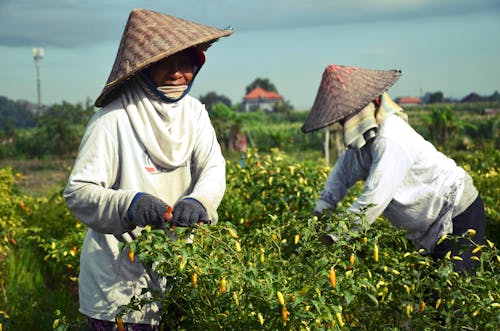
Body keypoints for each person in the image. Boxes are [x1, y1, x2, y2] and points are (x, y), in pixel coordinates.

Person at [63, 8, 232, 330]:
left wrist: (199, 201)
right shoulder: (112, 120)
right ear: (142, 70)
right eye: (164, 64)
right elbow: (79, 191)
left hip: (177, 265)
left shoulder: (194, 114)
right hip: (117, 275)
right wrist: (131, 204)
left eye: (185, 64)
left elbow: (212, 165)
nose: (176, 73)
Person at [301, 64, 485, 274]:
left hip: (457, 214)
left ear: (371, 104)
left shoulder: (391, 138)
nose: (344, 123)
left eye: (346, 117)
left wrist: (333, 236)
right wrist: (320, 212)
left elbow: (374, 199)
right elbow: (341, 174)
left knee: (451, 294)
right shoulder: (364, 141)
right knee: (431, 297)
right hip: (427, 228)